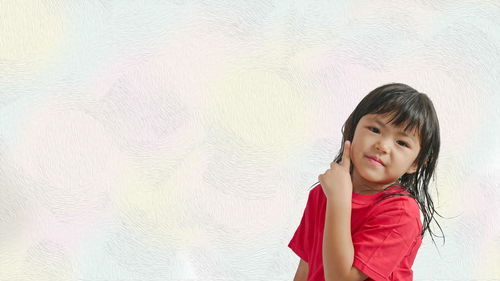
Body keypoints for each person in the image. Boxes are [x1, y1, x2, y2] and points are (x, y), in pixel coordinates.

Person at [288, 83, 444, 281]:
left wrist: (339, 200)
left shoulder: (401, 212)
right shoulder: (323, 193)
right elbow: (306, 268)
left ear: (416, 163)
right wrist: (337, 196)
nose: (383, 146)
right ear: (351, 128)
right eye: (375, 129)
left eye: (402, 143)